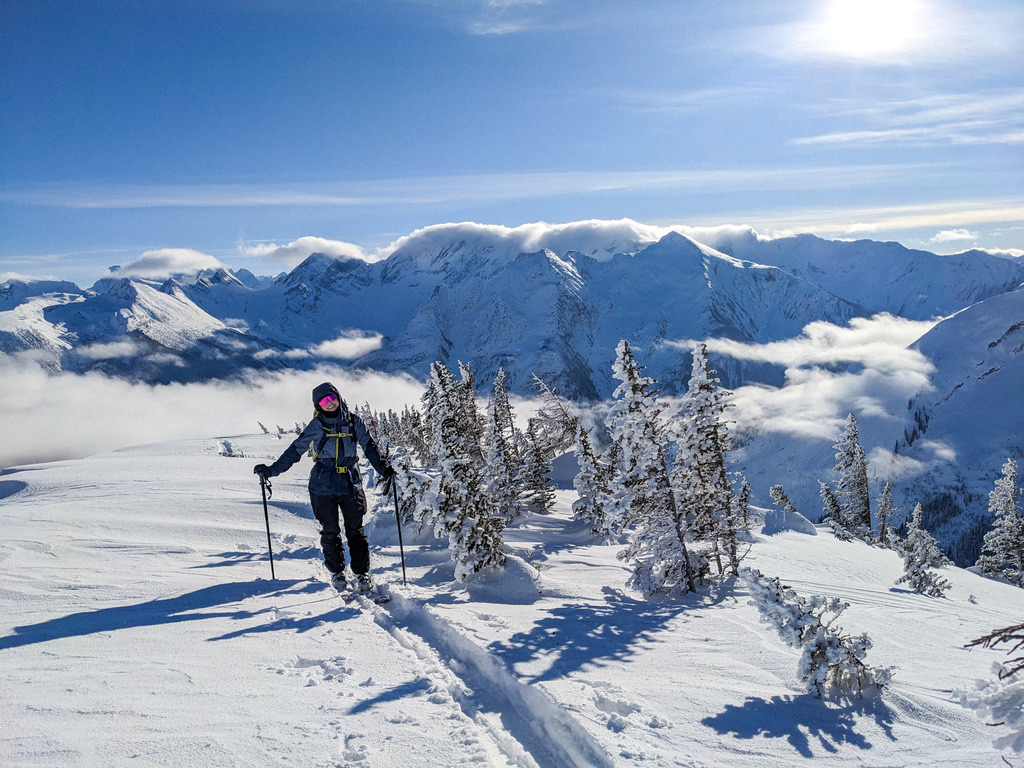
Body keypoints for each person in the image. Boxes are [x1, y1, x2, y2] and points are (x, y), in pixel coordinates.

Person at [254, 382, 394, 593]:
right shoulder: (317, 425)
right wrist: (272, 470)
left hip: (350, 484)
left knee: (356, 531)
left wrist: (385, 470)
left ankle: (362, 574)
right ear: (318, 405)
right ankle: (337, 573)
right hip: (322, 484)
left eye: (332, 398)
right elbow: (295, 450)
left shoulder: (354, 422)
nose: (329, 404)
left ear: (338, 397)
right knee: (330, 531)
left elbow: (370, 447)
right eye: (323, 401)